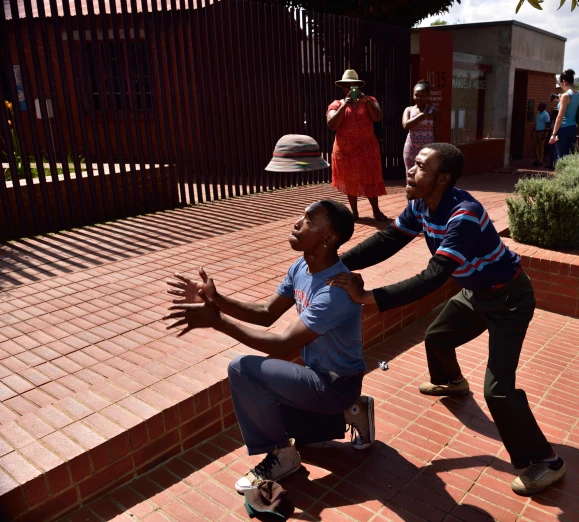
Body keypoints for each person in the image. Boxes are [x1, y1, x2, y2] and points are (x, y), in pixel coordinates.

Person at [328, 143, 565, 496]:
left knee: (498, 391)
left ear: (443, 178)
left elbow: (435, 276)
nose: (410, 169)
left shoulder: (463, 215)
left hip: (509, 299)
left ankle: (546, 462)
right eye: (414, 162)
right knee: (438, 336)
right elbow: (390, 239)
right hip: (476, 291)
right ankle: (451, 380)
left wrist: (369, 299)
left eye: (421, 166)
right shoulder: (421, 204)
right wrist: (339, 263)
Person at [164, 135, 375, 493]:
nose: (297, 223)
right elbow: (265, 313)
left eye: (309, 221)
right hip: (318, 378)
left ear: (328, 238)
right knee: (273, 406)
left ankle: (284, 455)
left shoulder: (337, 290)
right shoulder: (301, 267)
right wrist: (218, 300)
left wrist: (218, 322)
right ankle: (351, 412)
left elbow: (281, 345)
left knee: (243, 370)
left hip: (335, 383)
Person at [327, 69, 388, 222]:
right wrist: (344, 105)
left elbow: (377, 116)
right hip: (345, 150)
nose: (351, 90)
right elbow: (332, 124)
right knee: (349, 180)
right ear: (343, 89)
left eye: (354, 86)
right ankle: (354, 212)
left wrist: (366, 101)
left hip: (367, 148)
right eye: (347, 87)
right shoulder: (336, 104)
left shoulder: (369, 100)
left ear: (359, 88)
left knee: (371, 178)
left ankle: (376, 210)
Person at [403, 80, 441, 171]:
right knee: (411, 175)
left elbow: (438, 133)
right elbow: (406, 126)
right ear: (413, 95)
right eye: (416, 95)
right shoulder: (408, 110)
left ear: (427, 96)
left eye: (422, 96)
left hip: (428, 150)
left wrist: (438, 150)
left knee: (426, 176)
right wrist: (421, 115)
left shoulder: (434, 112)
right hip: (411, 148)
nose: (419, 98)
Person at [548, 69, 579, 164]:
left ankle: (561, 177)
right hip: (573, 128)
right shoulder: (577, 93)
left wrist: (553, 135)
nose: (560, 85)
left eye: (560, 83)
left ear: (564, 82)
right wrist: (560, 99)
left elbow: (560, 116)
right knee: (568, 157)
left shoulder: (566, 96)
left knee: (561, 158)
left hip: (563, 129)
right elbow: (571, 105)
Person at [545, 94, 560, 169]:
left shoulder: (557, 122)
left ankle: (554, 164)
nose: (552, 117)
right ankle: (551, 164)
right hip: (552, 136)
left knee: (555, 151)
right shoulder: (552, 121)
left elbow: (556, 129)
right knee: (551, 150)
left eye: (553, 116)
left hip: (556, 137)